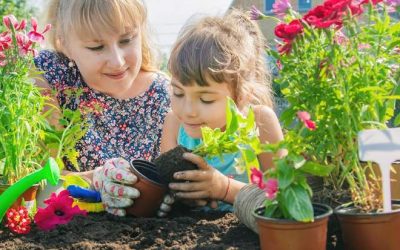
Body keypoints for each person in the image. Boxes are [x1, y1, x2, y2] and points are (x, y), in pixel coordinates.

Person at [34, 0, 170, 216]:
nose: (117, 61)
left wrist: (169, 194)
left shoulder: (164, 93)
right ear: (64, 45)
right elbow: (41, 178)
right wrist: (94, 180)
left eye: (126, 40)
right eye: (96, 47)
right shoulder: (50, 77)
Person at [158, 10, 285, 215]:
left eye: (206, 99)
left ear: (243, 95)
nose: (188, 111)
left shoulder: (261, 122)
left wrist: (224, 189)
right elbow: (168, 187)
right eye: (178, 93)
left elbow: (285, 196)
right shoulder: (174, 123)